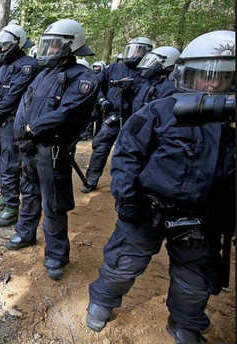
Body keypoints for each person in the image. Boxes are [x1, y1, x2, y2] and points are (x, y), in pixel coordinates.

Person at [86, 30, 235, 344]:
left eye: (221, 78)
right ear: (187, 75)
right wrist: (127, 203)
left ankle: (185, 323)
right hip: (148, 210)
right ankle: (102, 300)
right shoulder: (159, 112)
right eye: (204, 76)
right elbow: (126, 155)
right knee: (123, 263)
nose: (212, 84)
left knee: (194, 281)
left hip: (203, 219)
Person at [9, 19, 99, 281]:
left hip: (54, 149)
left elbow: (67, 113)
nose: (48, 50)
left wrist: (31, 130)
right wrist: (21, 134)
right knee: (29, 191)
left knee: (54, 204)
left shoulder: (84, 78)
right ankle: (26, 233)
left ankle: (56, 254)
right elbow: (24, 105)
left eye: (54, 45)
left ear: (71, 46)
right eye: (47, 45)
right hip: (31, 147)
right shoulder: (43, 73)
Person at [0, 24, 40, 226]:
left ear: (18, 43)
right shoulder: (3, 65)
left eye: (5, 46)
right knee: (0, 160)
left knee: (10, 163)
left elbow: (14, 94)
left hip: (12, 121)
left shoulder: (28, 65)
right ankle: (6, 197)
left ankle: (12, 207)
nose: (1, 50)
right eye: (0, 46)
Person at [81, 36, 153, 193]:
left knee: (133, 152)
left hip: (136, 119)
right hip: (114, 116)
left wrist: (130, 88)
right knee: (100, 146)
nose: (134, 53)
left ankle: (130, 185)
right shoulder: (114, 68)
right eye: (132, 49)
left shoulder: (147, 72)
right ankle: (91, 180)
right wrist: (102, 100)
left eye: (139, 50)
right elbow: (96, 84)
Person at [132, 46, 180, 112]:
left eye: (154, 62)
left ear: (166, 63)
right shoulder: (148, 83)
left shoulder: (172, 87)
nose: (150, 65)